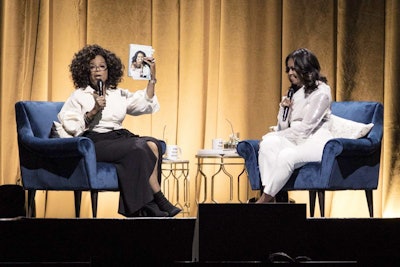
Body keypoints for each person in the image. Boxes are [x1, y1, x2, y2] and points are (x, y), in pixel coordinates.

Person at [56, 44, 181, 217]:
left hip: (118, 138)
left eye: (101, 66)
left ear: (108, 70)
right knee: (137, 147)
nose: (97, 71)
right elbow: (71, 127)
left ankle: (153, 202)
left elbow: (143, 104)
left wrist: (152, 78)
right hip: (94, 141)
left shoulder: (117, 93)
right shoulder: (79, 95)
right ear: (85, 71)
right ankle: (155, 202)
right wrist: (93, 111)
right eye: (92, 67)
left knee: (153, 144)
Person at [256, 48, 333, 203]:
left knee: (287, 155)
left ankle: (263, 201)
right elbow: (283, 128)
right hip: (295, 139)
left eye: (294, 68)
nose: (290, 73)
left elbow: (305, 129)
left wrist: (277, 135)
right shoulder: (294, 92)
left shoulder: (321, 92)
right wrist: (284, 109)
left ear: (306, 68)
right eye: (288, 69)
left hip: (315, 140)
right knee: (268, 144)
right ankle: (276, 197)